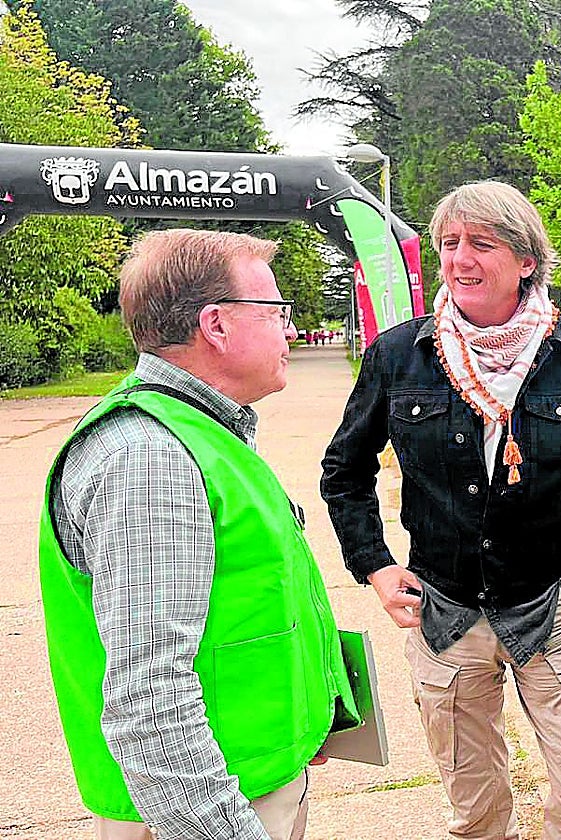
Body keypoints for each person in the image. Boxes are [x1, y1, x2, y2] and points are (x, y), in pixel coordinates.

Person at [320, 181, 561, 839]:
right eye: (449, 243)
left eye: (481, 243)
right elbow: (345, 471)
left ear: (526, 261)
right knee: (475, 809)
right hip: (445, 613)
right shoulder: (399, 355)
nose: (460, 259)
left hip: (552, 609)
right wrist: (376, 567)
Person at [40, 229, 359, 840]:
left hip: (246, 780)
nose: (291, 330)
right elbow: (150, 697)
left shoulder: (198, 432)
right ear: (216, 325)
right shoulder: (149, 459)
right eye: (277, 311)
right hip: (206, 813)